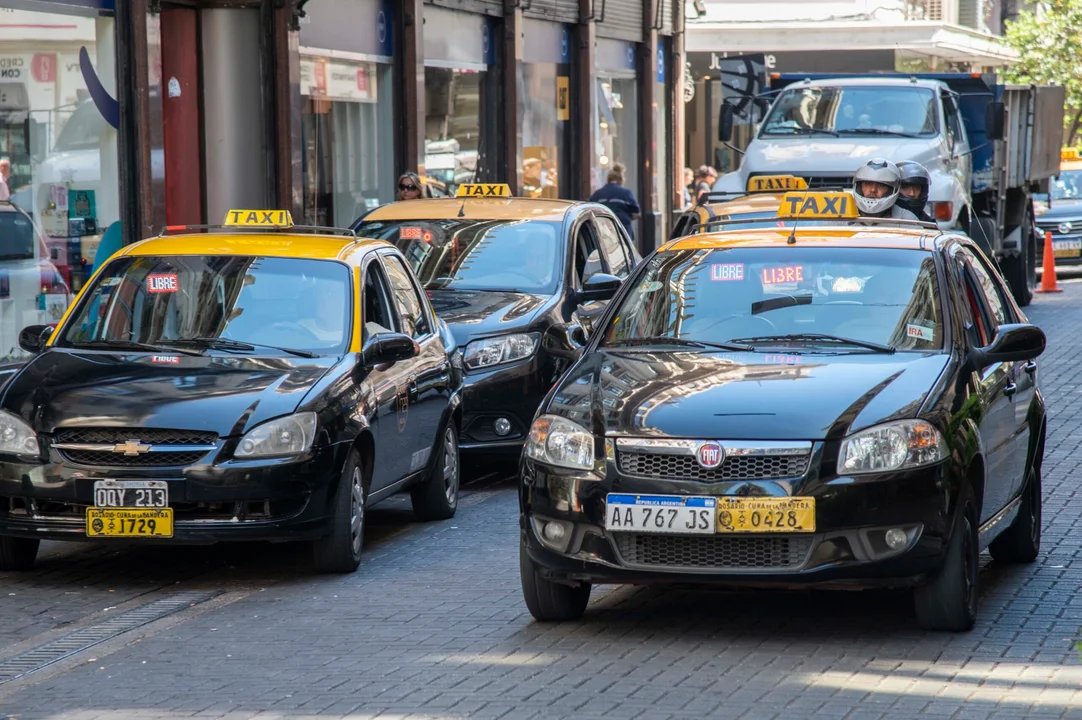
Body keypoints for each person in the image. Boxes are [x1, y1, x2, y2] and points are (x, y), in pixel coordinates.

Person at [852, 158, 918, 220]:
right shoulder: (844, 215)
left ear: (891, 189)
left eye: (881, 185)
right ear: (859, 187)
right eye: (868, 184)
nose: (873, 190)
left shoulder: (906, 219)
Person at [589, 162, 640, 241]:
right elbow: (636, 213)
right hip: (623, 232)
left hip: (603, 233)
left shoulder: (597, 194)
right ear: (621, 179)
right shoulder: (626, 193)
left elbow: (589, 209)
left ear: (608, 179)